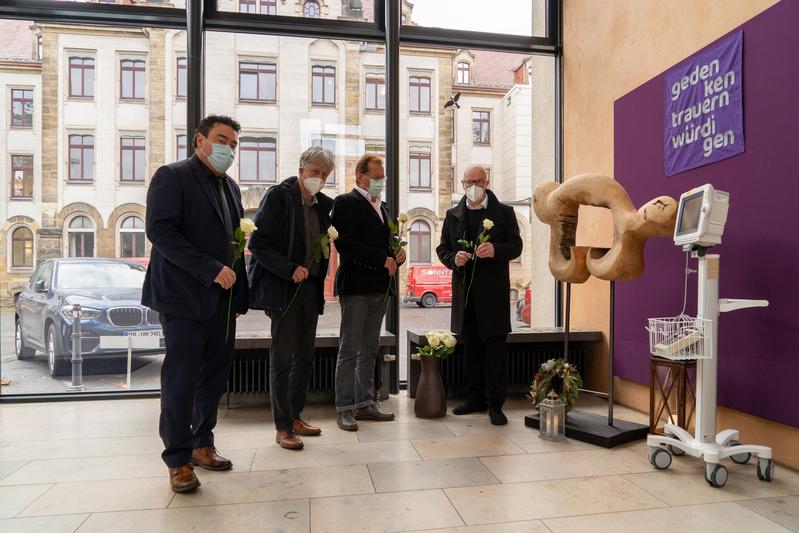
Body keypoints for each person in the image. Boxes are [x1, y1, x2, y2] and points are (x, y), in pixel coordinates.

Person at [142, 114, 249, 492]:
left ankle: (203, 443)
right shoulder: (171, 176)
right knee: (181, 381)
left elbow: (235, 245)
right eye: (222, 140)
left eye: (234, 144)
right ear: (199, 140)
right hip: (183, 297)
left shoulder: (231, 188)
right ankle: (177, 459)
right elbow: (160, 231)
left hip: (222, 300)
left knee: (214, 377)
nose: (228, 149)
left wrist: (241, 294)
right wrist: (210, 269)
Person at [247, 146, 336, 450]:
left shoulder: (324, 205)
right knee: (282, 358)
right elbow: (258, 244)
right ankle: (282, 426)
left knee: (305, 356)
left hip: (311, 290)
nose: (319, 179)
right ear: (301, 169)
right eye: (314, 172)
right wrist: (288, 269)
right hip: (285, 290)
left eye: (324, 175)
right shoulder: (279, 197)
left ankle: (296, 415)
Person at [436, 165, 522, 425]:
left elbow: (516, 245)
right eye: (467, 182)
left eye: (477, 181)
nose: (472, 186)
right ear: (462, 184)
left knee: (495, 351)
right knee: (471, 349)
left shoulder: (504, 213)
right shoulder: (452, 215)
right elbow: (442, 250)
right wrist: (455, 258)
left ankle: (495, 404)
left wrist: (495, 250)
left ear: (487, 182)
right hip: (466, 295)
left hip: (494, 295)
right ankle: (475, 399)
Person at [331, 154, 405, 431]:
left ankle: (365, 403)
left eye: (382, 178)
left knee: (370, 349)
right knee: (349, 349)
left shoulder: (384, 207)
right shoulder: (345, 203)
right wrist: (380, 259)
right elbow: (345, 245)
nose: (380, 182)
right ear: (360, 177)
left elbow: (388, 246)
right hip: (356, 287)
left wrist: (398, 255)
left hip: (380, 288)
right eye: (375, 178)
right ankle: (344, 408)